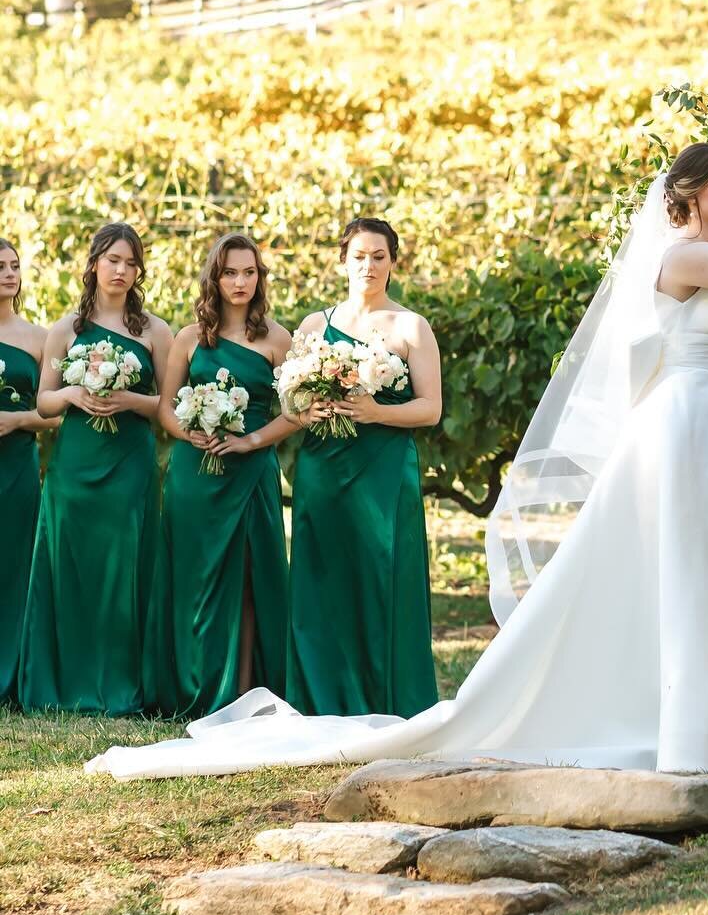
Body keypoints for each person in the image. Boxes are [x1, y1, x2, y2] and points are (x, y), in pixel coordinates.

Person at [86, 149, 708, 781]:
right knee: (681, 573)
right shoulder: (681, 260)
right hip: (681, 435)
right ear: (694, 192)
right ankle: (680, 722)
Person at [284, 218, 443, 718]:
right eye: (359, 255)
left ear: (393, 262)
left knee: (381, 578)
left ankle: (386, 699)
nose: (368, 265)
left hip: (383, 473)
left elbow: (431, 408)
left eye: (378, 255)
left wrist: (378, 413)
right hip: (323, 471)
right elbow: (289, 405)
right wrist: (307, 409)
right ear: (342, 261)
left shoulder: (411, 327)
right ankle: (320, 699)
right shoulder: (314, 325)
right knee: (321, 580)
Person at [20, 223, 171, 715]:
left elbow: (169, 407)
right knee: (73, 568)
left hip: (129, 464)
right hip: (75, 468)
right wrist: (70, 393)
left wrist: (130, 398)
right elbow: (44, 403)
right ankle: (64, 682)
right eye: (113, 261)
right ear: (94, 265)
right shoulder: (66, 329)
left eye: (130, 263)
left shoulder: (154, 330)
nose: (122, 271)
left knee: (125, 567)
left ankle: (125, 683)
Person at [146, 233, 294, 717]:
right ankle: (190, 686)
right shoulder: (190, 338)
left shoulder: (278, 339)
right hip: (196, 472)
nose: (240, 281)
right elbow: (166, 409)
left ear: (259, 277)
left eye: (249, 272)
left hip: (251, 474)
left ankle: (244, 692)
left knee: (251, 578)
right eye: (230, 272)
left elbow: (297, 412)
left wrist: (250, 441)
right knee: (195, 578)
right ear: (215, 277)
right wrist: (190, 435)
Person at [0, 240, 61, 703]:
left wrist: (16, 420)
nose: (9, 274)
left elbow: (56, 413)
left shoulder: (39, 338)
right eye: (0, 267)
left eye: (15, 266)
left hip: (18, 463)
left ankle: (12, 673)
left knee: (15, 562)